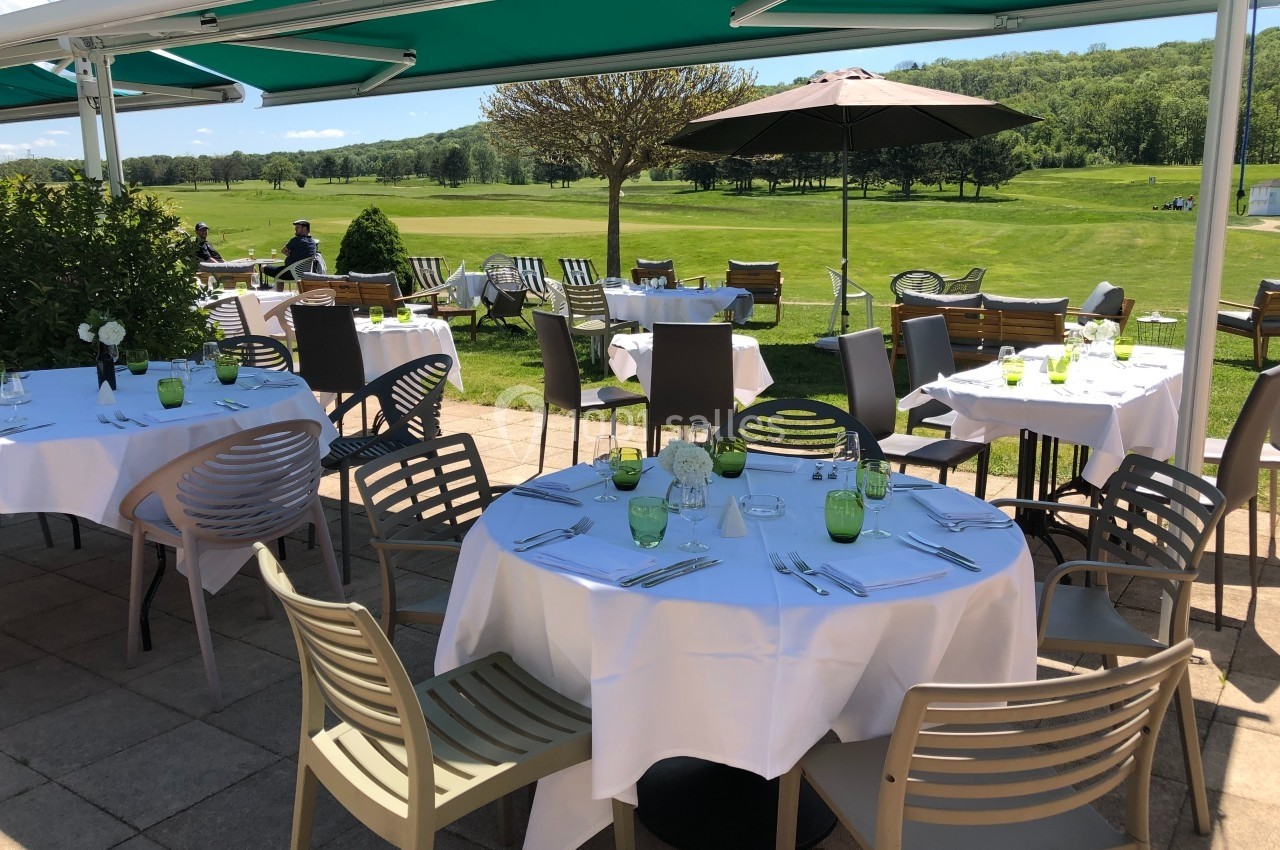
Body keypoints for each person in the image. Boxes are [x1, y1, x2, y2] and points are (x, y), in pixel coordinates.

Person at [260, 219, 317, 287]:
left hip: (290, 273)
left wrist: (289, 253)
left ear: (304, 229)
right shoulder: (313, 243)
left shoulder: (296, 240)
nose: (295, 229)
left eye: (298, 227)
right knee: (280, 272)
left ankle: (262, 286)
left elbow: (283, 250)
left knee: (263, 267)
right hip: (304, 274)